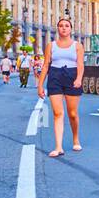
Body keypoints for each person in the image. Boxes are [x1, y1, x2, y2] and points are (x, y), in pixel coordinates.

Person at [37, 16, 84, 157]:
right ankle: (58, 147)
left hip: (71, 76)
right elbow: (45, 65)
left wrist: (79, 79)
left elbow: (81, 64)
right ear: (57, 28)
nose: (63, 27)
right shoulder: (51, 45)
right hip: (55, 76)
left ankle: (76, 138)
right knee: (57, 113)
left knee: (72, 114)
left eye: (66, 25)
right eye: (61, 25)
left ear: (70, 29)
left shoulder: (77, 45)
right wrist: (40, 85)